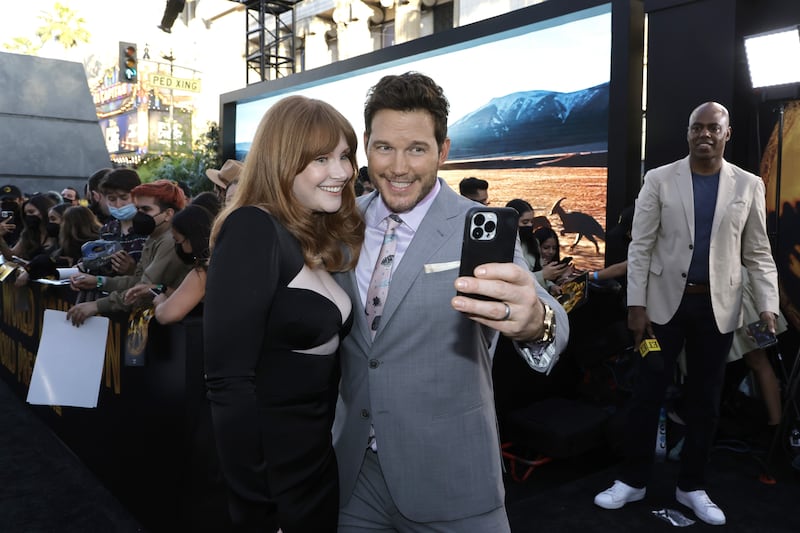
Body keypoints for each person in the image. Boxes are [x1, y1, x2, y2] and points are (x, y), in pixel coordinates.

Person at [332, 72, 568, 532]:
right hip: (353, 478)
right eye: (384, 147)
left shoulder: (477, 225)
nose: (398, 167)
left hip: (452, 477)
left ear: (443, 151)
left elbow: (547, 316)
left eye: (417, 149)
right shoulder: (343, 223)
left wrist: (533, 322)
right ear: (366, 145)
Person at [594, 102, 779, 526]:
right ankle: (633, 480)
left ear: (727, 133)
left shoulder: (748, 185)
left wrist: (767, 305)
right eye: (697, 127)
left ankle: (692, 485)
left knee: (706, 402)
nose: (705, 135)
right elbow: (639, 247)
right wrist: (635, 306)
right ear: (688, 132)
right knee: (646, 394)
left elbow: (758, 252)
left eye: (714, 128)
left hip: (718, 309)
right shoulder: (658, 179)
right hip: (661, 308)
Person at [203, 95, 364, 532]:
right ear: (281, 161)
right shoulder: (253, 229)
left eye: (345, 156)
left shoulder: (306, 234)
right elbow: (228, 383)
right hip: (275, 487)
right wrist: (257, 510)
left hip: (314, 468)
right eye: (321, 158)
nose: (343, 172)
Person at [66, 180, 191, 326]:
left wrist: (97, 305)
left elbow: (142, 291)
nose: (139, 215)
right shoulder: (154, 236)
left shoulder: (170, 241)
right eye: (137, 209)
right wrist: (99, 281)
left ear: (168, 214)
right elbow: (137, 280)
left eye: (146, 209)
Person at [152, 204, 214, 324]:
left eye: (178, 241)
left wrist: (160, 301)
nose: (179, 248)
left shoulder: (203, 272)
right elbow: (189, 296)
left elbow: (166, 314)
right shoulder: (222, 261)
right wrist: (161, 289)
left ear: (192, 238)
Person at [98, 168, 148, 275]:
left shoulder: (149, 229)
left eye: (124, 197)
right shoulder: (107, 231)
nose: (118, 204)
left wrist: (133, 269)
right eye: (112, 199)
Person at [0, 194, 57, 262]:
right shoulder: (29, 233)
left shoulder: (56, 230)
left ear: (44, 211)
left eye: (31, 212)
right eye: (26, 213)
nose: (28, 216)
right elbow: (12, 256)